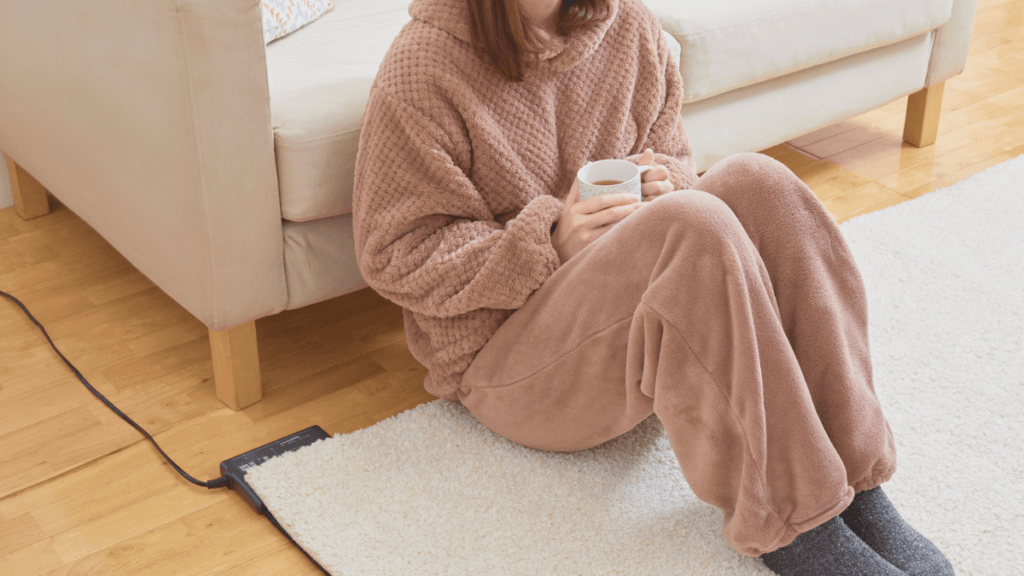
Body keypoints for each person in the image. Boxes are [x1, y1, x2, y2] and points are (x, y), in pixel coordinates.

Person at [351, 0, 955, 574]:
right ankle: (795, 524)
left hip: (620, 328)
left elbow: (674, 157)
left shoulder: (626, 23)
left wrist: (666, 182)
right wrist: (550, 240)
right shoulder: (421, 68)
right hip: (503, 363)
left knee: (759, 181)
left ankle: (855, 480)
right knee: (693, 223)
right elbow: (395, 252)